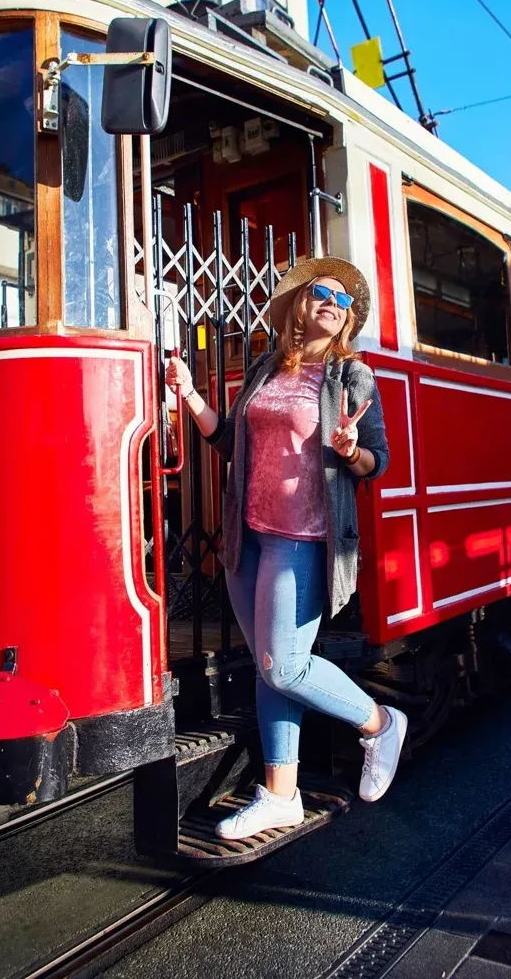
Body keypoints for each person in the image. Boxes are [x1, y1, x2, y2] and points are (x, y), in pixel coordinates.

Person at [166, 256, 407, 840]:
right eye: (322, 291)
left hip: (302, 542)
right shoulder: (267, 369)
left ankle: (379, 723)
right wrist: (192, 395)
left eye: (344, 300)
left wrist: (350, 450)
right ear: (300, 303)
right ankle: (281, 794)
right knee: (271, 671)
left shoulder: (352, 377)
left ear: (347, 320)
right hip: (248, 535)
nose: (333, 301)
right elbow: (230, 443)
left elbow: (380, 460)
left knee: (284, 665)